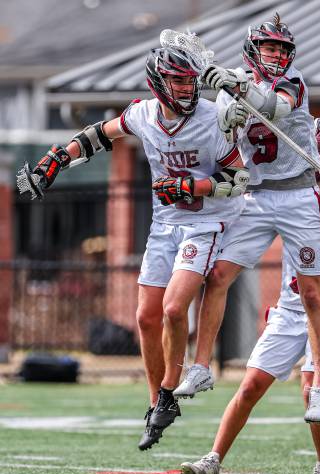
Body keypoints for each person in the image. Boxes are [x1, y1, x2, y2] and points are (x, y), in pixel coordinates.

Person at [29, 35, 249, 451]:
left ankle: (169, 389)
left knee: (172, 307)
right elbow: (99, 134)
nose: (188, 88)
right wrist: (58, 157)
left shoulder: (213, 118)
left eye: (190, 81)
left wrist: (191, 184)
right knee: (146, 316)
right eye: (179, 81)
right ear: (158, 83)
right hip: (165, 223)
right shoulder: (144, 114)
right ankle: (156, 403)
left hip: (205, 221)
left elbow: (238, 180)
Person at [180, 118, 320, 474]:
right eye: (313, 148)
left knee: (310, 390)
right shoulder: (293, 197)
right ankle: (213, 460)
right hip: (291, 308)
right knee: (251, 384)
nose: (316, 157)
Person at [174, 13, 320, 424]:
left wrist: (236, 87)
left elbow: (273, 109)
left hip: (298, 194)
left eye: (282, 49)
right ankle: (202, 366)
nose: (277, 55)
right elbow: (224, 138)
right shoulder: (233, 84)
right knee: (218, 275)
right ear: (253, 49)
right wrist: (229, 113)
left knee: (313, 294)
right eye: (270, 47)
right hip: (257, 197)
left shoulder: (293, 81)